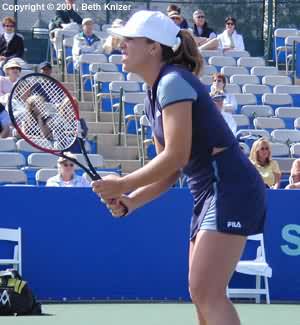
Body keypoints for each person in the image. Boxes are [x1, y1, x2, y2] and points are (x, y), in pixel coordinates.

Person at [92, 10, 266, 325]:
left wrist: (123, 184)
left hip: (229, 187)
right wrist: (131, 201)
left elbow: (174, 156)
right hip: (209, 192)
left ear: (153, 47)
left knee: (206, 292)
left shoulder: (172, 82)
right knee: (201, 293)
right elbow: (170, 172)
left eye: (130, 40)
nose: (122, 45)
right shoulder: (154, 93)